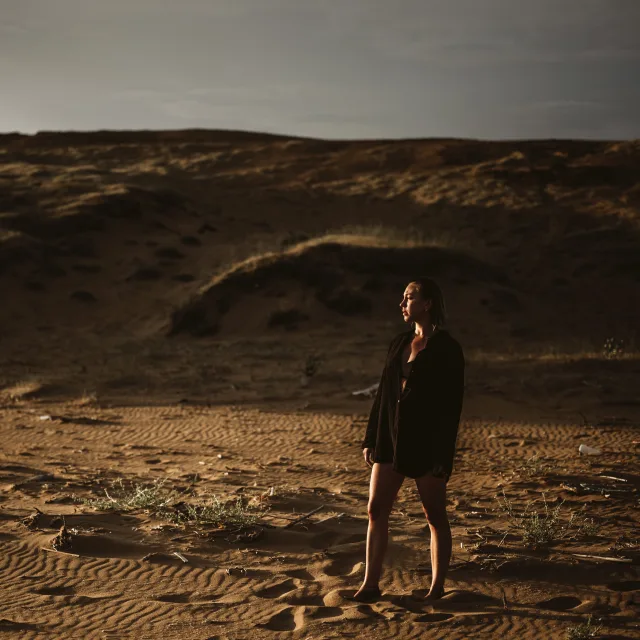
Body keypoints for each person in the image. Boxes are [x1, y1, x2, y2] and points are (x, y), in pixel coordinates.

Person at [352, 277, 465, 603]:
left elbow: (451, 407)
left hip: (426, 442)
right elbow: (383, 395)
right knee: (376, 509)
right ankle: (370, 584)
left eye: (409, 297)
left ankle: (436, 587)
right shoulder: (399, 342)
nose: (402, 304)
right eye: (403, 298)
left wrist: (444, 455)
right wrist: (370, 438)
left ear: (427, 304)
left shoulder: (447, 349)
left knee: (434, 515)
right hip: (390, 437)